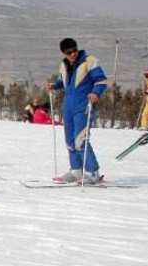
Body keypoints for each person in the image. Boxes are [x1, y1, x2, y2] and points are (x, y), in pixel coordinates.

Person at [46, 38, 108, 184]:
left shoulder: (89, 61)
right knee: (70, 140)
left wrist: (95, 93)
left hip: (83, 105)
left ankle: (92, 173)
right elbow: (65, 82)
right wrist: (55, 85)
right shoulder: (63, 65)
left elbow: (101, 81)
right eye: (69, 52)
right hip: (68, 105)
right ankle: (76, 171)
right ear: (63, 53)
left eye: (75, 50)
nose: (73, 54)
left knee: (81, 140)